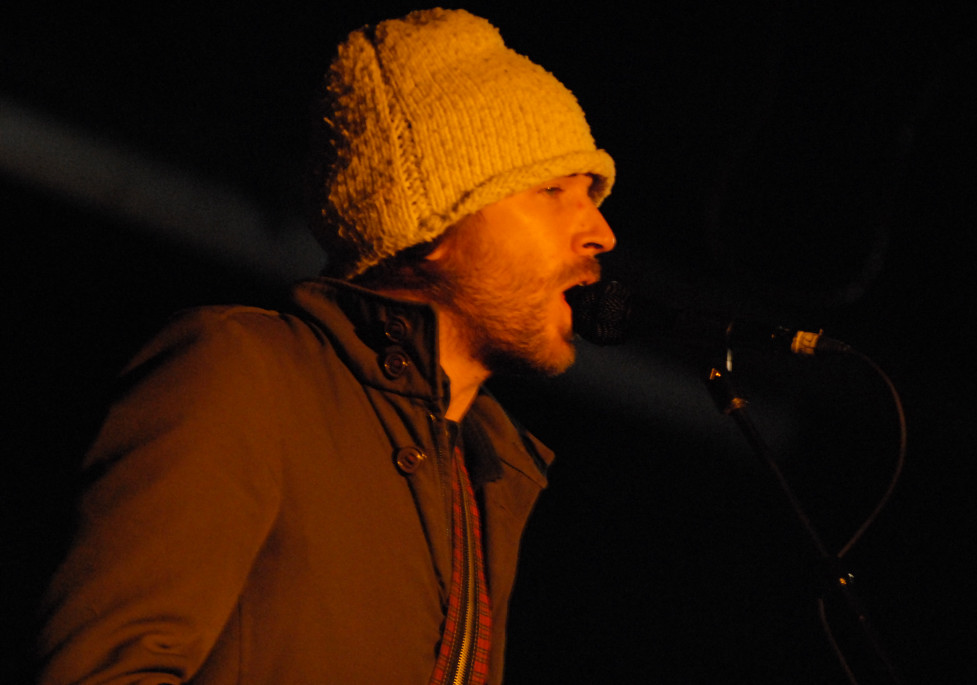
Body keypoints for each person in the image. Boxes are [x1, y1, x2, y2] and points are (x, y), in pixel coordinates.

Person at [33, 8, 616, 684]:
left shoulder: (488, 468)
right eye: (552, 190)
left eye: (591, 195)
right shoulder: (242, 368)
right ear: (433, 225)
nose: (600, 232)